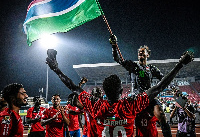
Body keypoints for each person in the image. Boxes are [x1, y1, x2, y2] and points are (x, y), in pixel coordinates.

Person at [46, 49, 193, 136]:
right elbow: (159, 87)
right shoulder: (129, 105)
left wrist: (56, 69)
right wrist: (180, 64)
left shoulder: (95, 105)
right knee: (157, 116)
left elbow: (74, 87)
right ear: (122, 91)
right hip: (139, 99)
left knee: (159, 114)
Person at [110, 35, 173, 137]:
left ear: (148, 55)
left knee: (161, 115)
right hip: (135, 98)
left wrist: (173, 88)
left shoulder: (152, 69)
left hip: (149, 97)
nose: (140, 52)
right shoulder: (133, 66)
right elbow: (117, 58)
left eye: (143, 51)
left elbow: (164, 79)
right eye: (139, 52)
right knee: (123, 120)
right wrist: (114, 46)